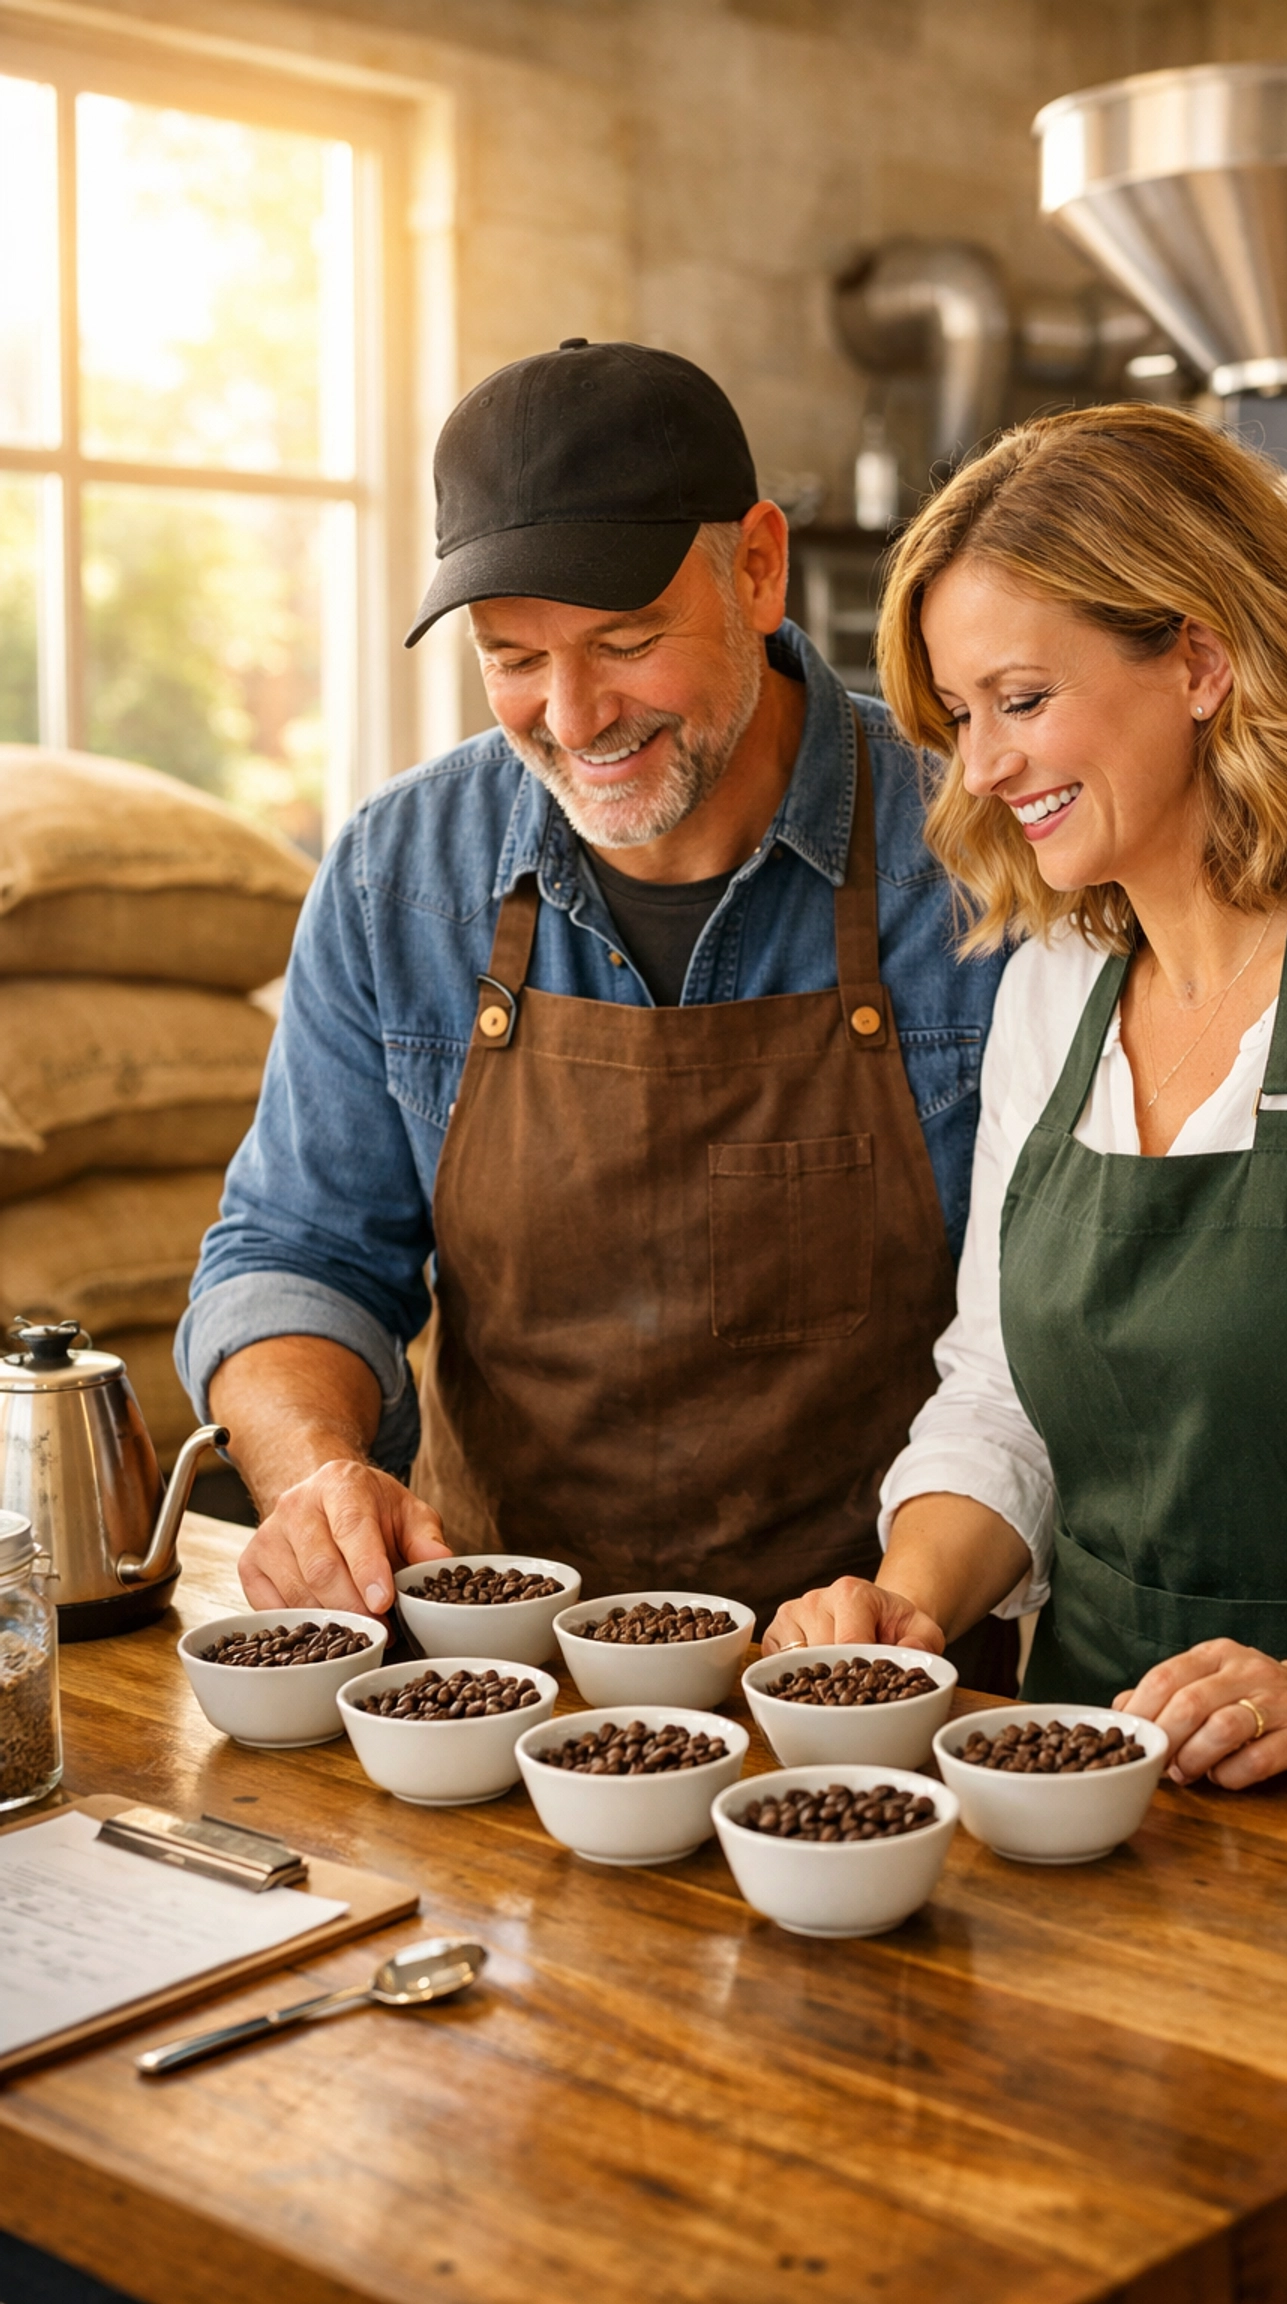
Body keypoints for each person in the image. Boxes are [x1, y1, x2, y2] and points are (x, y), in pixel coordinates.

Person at [177, 339, 1010, 1667]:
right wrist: (311, 1469)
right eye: (513, 658)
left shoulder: (976, 857)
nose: (572, 716)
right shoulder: (403, 875)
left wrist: (907, 1610)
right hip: (496, 1683)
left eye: (626, 641)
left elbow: (1042, 1342)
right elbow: (295, 1252)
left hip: (882, 1683)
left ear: (756, 567)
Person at [765, 400, 1287, 1800]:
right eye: (958, 715)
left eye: (1022, 699)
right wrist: (910, 1601)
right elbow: (1000, 1394)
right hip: (1094, 1793)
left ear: (1198, 659)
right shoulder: (1056, 985)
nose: (982, 768)